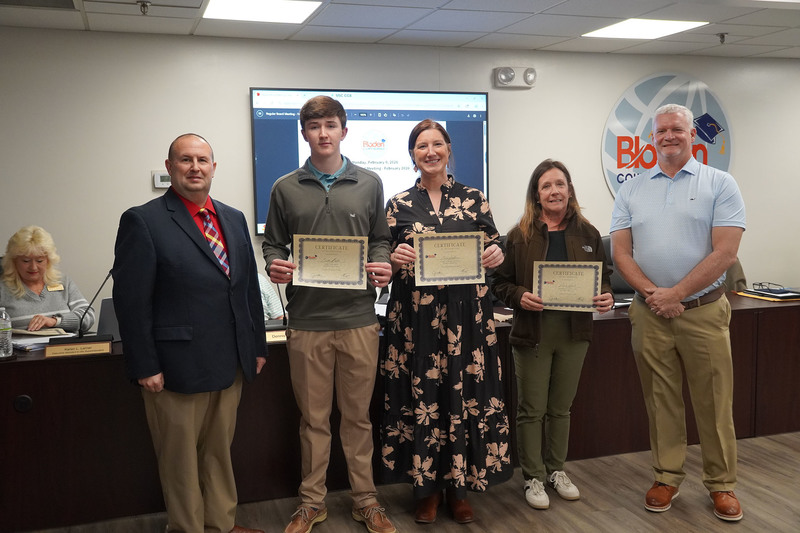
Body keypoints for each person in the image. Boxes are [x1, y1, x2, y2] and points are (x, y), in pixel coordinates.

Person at [112, 133, 267, 533]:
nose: (195, 167)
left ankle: (220, 524)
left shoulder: (233, 218)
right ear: (170, 168)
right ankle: (187, 528)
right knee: (179, 461)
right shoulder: (143, 220)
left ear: (214, 167)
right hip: (175, 368)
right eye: (185, 160)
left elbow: (247, 288)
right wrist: (144, 364)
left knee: (219, 453)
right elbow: (132, 303)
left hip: (230, 362)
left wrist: (257, 346)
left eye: (202, 159)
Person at [262, 96, 396, 533]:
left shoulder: (370, 183)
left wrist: (383, 263)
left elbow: (380, 239)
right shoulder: (284, 187)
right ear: (304, 133)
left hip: (359, 318)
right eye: (315, 126)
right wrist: (274, 264)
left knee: (357, 419)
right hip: (306, 323)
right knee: (314, 420)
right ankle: (311, 503)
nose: (323, 133)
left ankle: (366, 500)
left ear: (344, 130)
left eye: (331, 125)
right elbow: (274, 244)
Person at [610, 104, 746, 522]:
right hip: (650, 313)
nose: (669, 136)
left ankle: (722, 485)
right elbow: (621, 252)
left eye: (677, 129)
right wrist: (656, 295)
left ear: (692, 135)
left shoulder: (719, 183)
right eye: (661, 131)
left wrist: (678, 294)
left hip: (702, 312)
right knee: (660, 400)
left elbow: (725, 252)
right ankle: (667, 476)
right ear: (652, 138)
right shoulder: (631, 188)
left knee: (714, 402)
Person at [380, 119, 513, 525]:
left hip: (466, 322)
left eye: (437, 144)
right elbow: (383, 258)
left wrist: (496, 256)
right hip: (415, 325)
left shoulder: (474, 199)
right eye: (422, 146)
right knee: (422, 403)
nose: (430, 151)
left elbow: (493, 248)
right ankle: (426, 491)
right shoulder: (398, 203)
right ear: (412, 154)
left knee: (463, 399)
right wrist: (392, 258)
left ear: (449, 149)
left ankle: (459, 489)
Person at [490, 159, 614, 510]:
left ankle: (556, 470)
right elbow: (498, 282)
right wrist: (519, 296)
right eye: (546, 186)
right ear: (536, 194)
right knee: (532, 409)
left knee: (560, 408)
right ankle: (532, 476)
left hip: (574, 332)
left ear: (569, 190)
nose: (554, 191)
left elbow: (604, 276)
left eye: (560, 184)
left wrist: (604, 293)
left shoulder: (588, 233)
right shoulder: (519, 235)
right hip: (533, 332)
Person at [0, 225, 94, 333]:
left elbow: (88, 316)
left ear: (48, 260)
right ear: (14, 261)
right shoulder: (3, 289)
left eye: (39, 261)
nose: (33, 267)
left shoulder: (63, 282)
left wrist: (55, 321)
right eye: (26, 261)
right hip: (20, 349)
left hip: (63, 348)